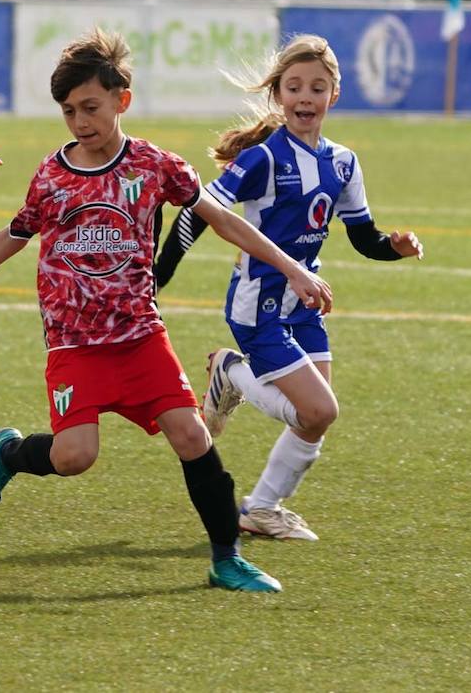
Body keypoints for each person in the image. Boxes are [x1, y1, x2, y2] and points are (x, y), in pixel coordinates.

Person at [0, 29, 335, 593]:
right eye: (69, 112)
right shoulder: (53, 177)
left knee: (192, 436)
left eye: (90, 107)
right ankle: (8, 455)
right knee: (76, 456)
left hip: (139, 337)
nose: (80, 122)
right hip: (74, 344)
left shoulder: (156, 166)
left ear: (120, 101)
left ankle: (226, 558)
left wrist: (294, 270)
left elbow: (226, 220)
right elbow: (13, 235)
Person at [152, 34, 423, 542]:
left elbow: (363, 236)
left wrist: (394, 246)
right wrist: (159, 276)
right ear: (278, 95)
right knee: (319, 409)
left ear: (332, 96)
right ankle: (230, 371)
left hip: (303, 303)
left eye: (316, 88)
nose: (305, 97)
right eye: (294, 87)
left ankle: (260, 509)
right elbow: (199, 210)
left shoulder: (343, 162)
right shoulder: (263, 159)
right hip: (258, 305)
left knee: (312, 420)